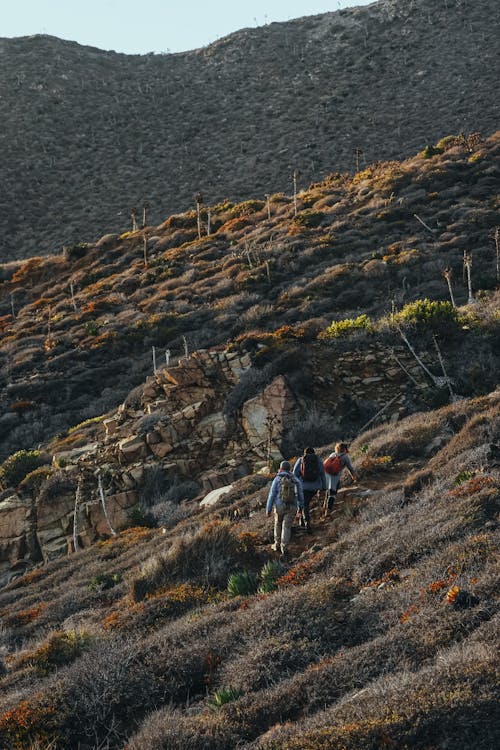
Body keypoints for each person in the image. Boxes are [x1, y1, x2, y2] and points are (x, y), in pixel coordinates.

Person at [266, 460, 304, 556]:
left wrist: (268, 509)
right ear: (289, 469)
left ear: (281, 468)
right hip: (292, 506)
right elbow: (300, 495)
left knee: (278, 523)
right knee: (287, 527)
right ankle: (284, 547)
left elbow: (272, 495)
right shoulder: (295, 479)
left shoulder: (277, 479)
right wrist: (300, 508)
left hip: (279, 506)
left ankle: (277, 544)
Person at [292, 447, 326, 533]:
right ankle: (302, 521)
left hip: (303, 487)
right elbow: (322, 474)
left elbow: (294, 474)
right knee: (305, 503)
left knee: (305, 504)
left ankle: (307, 525)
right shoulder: (318, 460)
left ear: (305, 453)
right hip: (315, 487)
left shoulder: (300, 460)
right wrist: (323, 488)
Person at [323, 442, 356, 515]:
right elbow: (350, 468)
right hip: (335, 477)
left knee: (328, 492)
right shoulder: (345, 457)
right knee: (333, 494)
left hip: (327, 477)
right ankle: (328, 511)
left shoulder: (332, 454)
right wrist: (354, 476)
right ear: (344, 449)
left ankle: (324, 506)